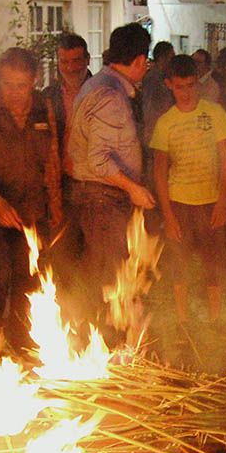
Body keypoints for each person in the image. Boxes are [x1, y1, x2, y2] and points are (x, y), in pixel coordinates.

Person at [0, 48, 62, 349]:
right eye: (7, 84)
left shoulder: (44, 109)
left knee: (30, 277)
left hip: (34, 211)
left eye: (20, 85)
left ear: (33, 80)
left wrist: (54, 202)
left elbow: (52, 159)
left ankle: (22, 343)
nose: (14, 93)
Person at [67, 22, 155, 315]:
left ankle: (99, 339)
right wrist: (134, 189)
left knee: (105, 271)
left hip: (98, 198)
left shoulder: (97, 86)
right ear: (140, 60)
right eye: (147, 61)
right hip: (102, 200)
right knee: (110, 276)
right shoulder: (110, 97)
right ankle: (104, 342)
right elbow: (99, 161)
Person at [150, 54, 226, 322]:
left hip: (211, 201)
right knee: (179, 264)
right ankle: (183, 319)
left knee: (214, 262)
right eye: (179, 87)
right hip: (179, 203)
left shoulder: (215, 113)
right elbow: (160, 171)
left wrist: (223, 201)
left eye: (190, 85)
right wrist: (168, 215)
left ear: (198, 83)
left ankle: (215, 317)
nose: (185, 93)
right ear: (169, 85)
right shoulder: (166, 122)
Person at [42, 33, 92, 179]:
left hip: (94, 181)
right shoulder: (48, 97)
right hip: (60, 180)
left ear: (87, 60)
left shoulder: (103, 94)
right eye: (64, 62)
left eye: (76, 61)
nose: (70, 68)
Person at [140, 41, 175, 145]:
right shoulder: (154, 78)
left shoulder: (161, 77)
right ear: (162, 58)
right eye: (171, 57)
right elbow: (151, 108)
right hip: (155, 133)